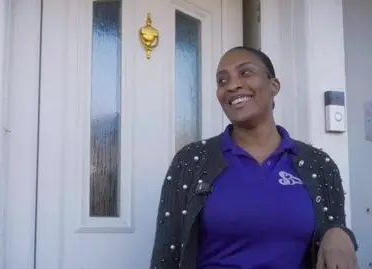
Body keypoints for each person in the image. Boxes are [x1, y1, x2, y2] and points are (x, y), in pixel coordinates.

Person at [149, 46, 358, 269]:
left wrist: (340, 232)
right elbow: (166, 255)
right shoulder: (190, 161)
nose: (232, 85)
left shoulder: (319, 165)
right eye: (221, 81)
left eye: (245, 72)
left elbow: (334, 237)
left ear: (274, 86)